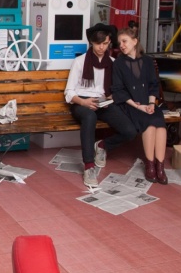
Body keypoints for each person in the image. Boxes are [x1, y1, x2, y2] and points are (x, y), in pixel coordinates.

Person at [65, 23, 137, 187]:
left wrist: (109, 99)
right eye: (98, 44)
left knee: (130, 131)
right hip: (81, 102)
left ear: (109, 42)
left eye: (105, 43)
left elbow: (116, 90)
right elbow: (69, 92)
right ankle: (89, 166)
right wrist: (83, 102)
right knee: (89, 117)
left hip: (103, 103)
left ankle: (103, 145)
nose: (101, 48)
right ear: (91, 42)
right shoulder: (79, 62)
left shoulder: (112, 62)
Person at [112, 27, 168, 185]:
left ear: (135, 41)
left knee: (160, 124)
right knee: (149, 124)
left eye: (124, 41)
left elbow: (153, 84)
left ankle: (160, 166)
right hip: (131, 105)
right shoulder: (119, 63)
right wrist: (138, 106)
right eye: (119, 43)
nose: (121, 45)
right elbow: (118, 90)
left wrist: (151, 103)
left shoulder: (148, 61)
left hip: (148, 102)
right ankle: (150, 165)